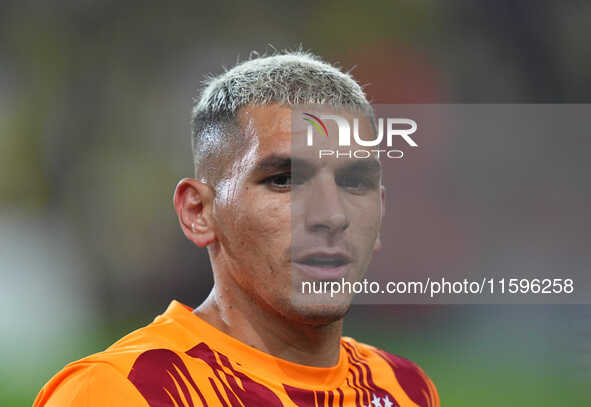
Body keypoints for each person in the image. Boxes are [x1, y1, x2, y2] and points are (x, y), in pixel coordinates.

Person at [34, 51, 439, 407]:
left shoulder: (405, 389)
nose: (332, 215)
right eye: (284, 179)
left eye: (355, 182)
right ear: (199, 212)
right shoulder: (122, 392)